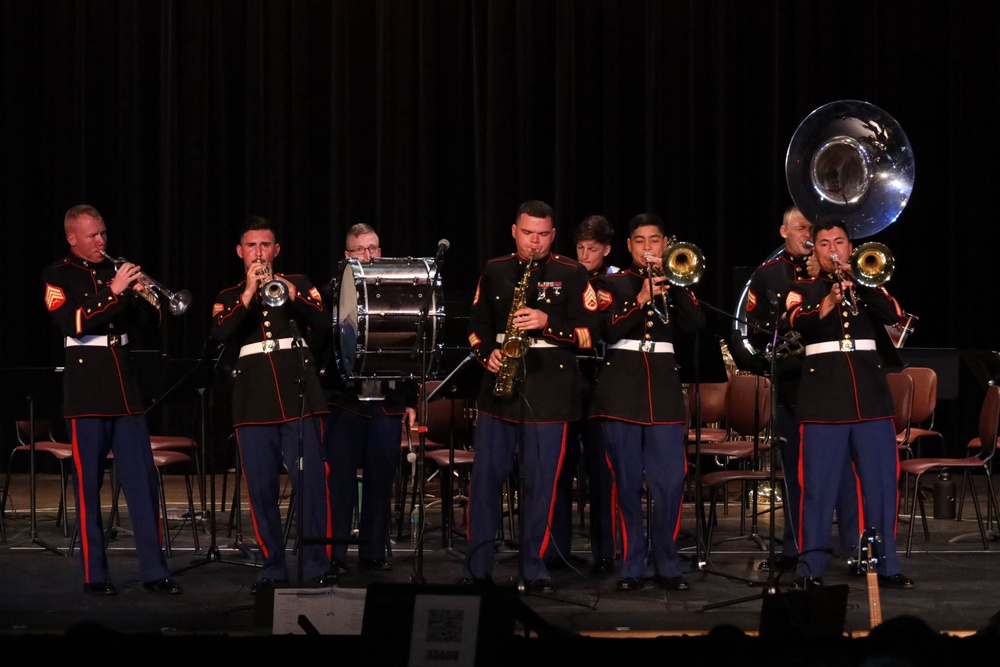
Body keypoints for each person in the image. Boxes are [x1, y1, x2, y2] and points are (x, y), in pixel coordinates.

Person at [41, 204, 182, 596]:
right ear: (73, 238)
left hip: (125, 390)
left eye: (103, 233)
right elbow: (74, 323)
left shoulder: (113, 271)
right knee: (88, 489)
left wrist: (141, 298)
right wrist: (115, 291)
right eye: (92, 235)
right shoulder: (56, 275)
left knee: (142, 484)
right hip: (86, 392)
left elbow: (146, 327)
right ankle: (95, 576)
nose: (102, 241)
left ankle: (155, 572)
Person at [462, 199, 599, 593]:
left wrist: (547, 323)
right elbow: (476, 323)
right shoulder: (494, 270)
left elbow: (590, 334)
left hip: (550, 394)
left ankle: (535, 569)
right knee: (485, 483)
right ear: (514, 231)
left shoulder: (572, 273)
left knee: (542, 487)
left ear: (553, 236)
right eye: (527, 234)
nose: (534, 242)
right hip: (498, 393)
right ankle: (477, 569)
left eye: (542, 235)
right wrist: (484, 350)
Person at [784, 216, 913, 590]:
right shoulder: (802, 287)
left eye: (839, 243)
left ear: (850, 248)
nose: (833, 251)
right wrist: (827, 301)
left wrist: (862, 282)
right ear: (815, 250)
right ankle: (811, 569)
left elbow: (894, 316)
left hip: (871, 403)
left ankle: (885, 564)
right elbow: (796, 320)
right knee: (818, 490)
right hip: (823, 403)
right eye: (824, 244)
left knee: (882, 488)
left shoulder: (869, 282)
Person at [210, 215, 334, 593]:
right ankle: (273, 563)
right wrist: (248, 292)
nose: (259, 253)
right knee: (261, 488)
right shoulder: (228, 297)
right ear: (240, 251)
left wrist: (292, 295)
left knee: (311, 482)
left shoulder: (298, 285)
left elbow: (326, 325)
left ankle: (317, 562)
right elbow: (219, 336)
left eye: (265, 246)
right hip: (253, 401)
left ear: (276, 250)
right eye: (252, 246)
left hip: (299, 396)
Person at [588, 212, 705, 592]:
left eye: (654, 241)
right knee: (625, 485)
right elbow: (605, 328)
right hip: (621, 393)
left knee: (670, 484)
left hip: (665, 396)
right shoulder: (611, 283)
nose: (648, 249)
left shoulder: (676, 282)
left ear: (666, 243)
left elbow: (696, 324)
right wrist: (639, 300)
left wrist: (677, 283)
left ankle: (668, 563)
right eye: (640, 241)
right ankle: (631, 565)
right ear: (629, 246)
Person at [742, 205, 860, 574]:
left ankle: (854, 548)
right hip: (794, 384)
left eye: (813, 230)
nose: (808, 236)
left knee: (845, 470)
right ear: (784, 232)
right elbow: (752, 326)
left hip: (835, 384)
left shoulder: (833, 272)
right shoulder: (766, 275)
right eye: (801, 229)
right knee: (796, 473)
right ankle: (798, 548)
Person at [321, 223, 417, 574]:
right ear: (346, 256)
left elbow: (410, 345)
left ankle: (374, 551)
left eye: (373, 248)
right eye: (360, 250)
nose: (368, 255)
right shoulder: (330, 294)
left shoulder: (399, 291)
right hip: (343, 401)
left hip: (385, 402)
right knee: (341, 480)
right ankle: (334, 553)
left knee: (381, 478)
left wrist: (410, 398)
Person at [547, 215, 621, 574]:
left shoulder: (616, 280)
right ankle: (556, 549)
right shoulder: (563, 278)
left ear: (606, 250)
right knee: (559, 469)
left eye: (593, 249)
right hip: (565, 383)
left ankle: (605, 552)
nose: (585, 255)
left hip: (603, 384)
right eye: (580, 248)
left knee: (602, 472)